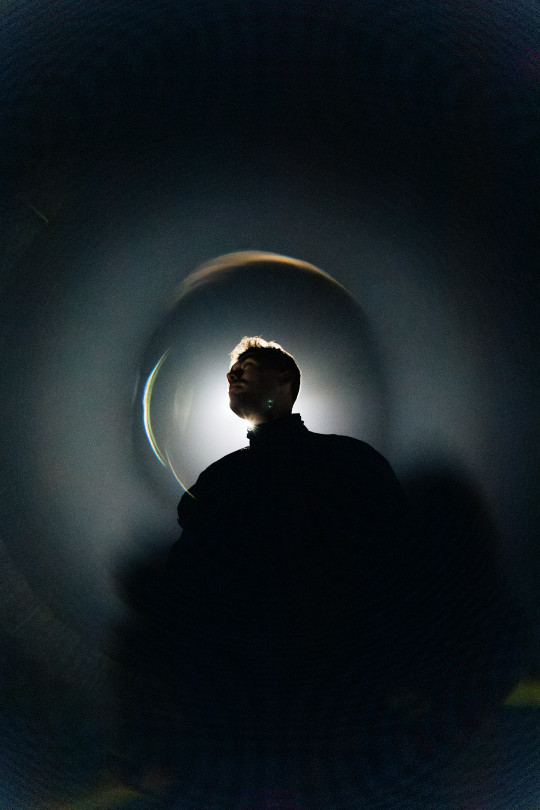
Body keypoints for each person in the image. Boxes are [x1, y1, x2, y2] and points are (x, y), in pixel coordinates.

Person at [166, 337, 407, 744]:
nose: (234, 374)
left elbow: (397, 559)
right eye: (231, 370)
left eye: (249, 364)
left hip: (324, 686)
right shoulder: (350, 462)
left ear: (286, 379)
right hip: (289, 691)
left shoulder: (222, 483)